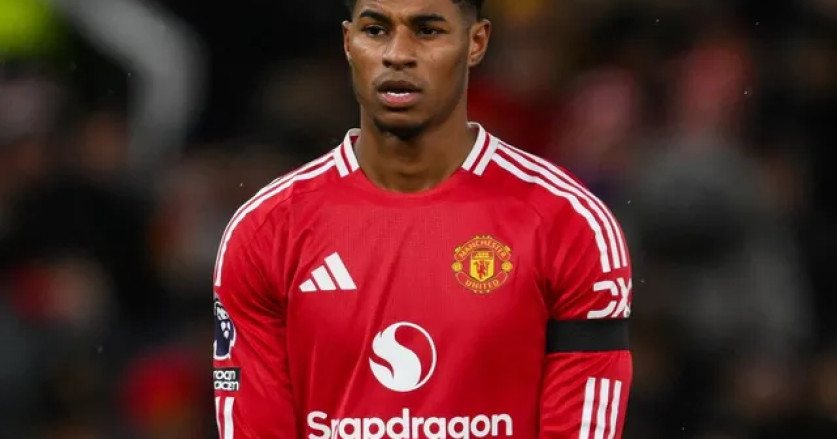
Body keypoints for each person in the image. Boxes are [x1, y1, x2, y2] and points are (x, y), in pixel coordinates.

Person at [212, 0, 633, 438]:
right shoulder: (267, 230)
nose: (398, 54)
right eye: (375, 30)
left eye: (427, 30)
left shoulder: (568, 224)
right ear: (348, 42)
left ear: (476, 42)